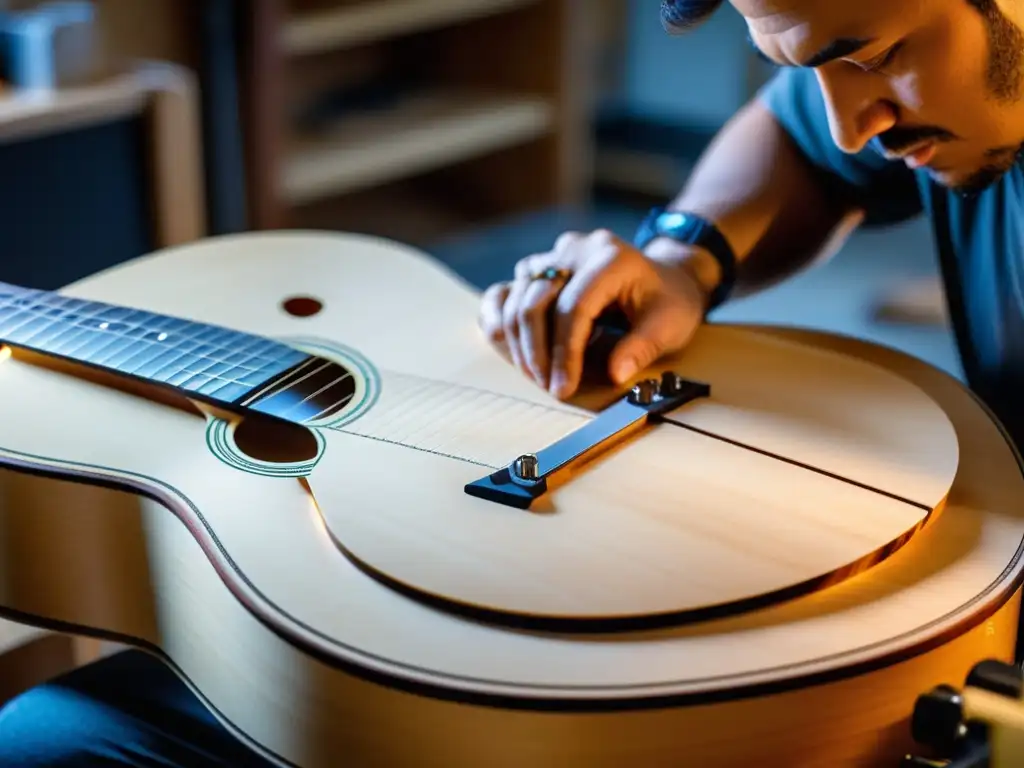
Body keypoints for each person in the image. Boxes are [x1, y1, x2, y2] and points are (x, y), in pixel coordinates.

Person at [3, 0, 1024, 764]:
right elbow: (803, 140)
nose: (855, 124)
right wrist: (682, 256)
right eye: (814, 66)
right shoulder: (906, 78)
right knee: (49, 737)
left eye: (878, 56)